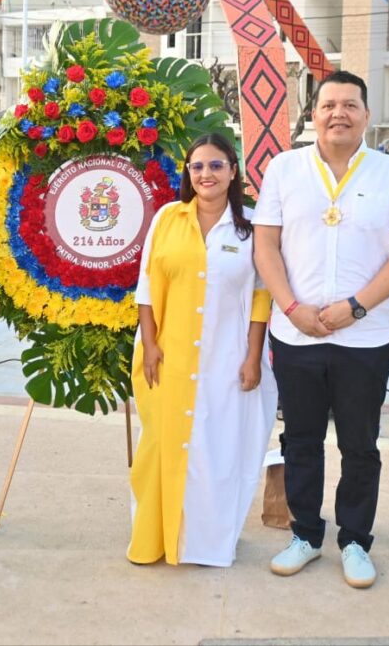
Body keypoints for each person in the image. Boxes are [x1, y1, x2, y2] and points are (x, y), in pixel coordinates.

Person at [254, 70, 389, 588]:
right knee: (301, 439)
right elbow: (266, 246)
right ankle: (305, 533)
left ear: (366, 116)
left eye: (350, 105)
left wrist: (356, 307)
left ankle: (354, 540)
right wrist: (290, 307)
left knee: (360, 443)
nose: (339, 114)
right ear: (313, 114)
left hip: (364, 338)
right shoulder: (284, 170)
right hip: (297, 333)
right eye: (329, 105)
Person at [128, 133, 277, 567]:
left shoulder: (252, 227)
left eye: (215, 165)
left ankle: (206, 544)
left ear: (233, 171)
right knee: (162, 446)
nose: (206, 174)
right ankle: (154, 538)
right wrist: (151, 345)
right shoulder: (167, 219)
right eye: (197, 167)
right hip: (168, 357)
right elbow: (146, 286)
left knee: (217, 450)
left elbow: (261, 296)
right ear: (187, 174)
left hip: (225, 357)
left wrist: (252, 356)